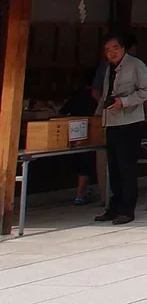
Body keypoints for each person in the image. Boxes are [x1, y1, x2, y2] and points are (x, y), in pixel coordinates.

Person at [95, 33, 147, 226]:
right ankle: (114, 207)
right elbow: (104, 95)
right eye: (107, 50)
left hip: (130, 121)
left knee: (126, 167)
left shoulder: (136, 65)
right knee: (113, 167)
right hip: (111, 121)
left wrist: (125, 101)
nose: (111, 53)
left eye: (114, 48)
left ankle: (127, 210)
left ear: (123, 48)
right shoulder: (108, 69)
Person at [59, 70, 99, 207]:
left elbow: (63, 111)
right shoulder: (98, 96)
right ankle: (81, 194)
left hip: (75, 130)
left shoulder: (78, 94)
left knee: (82, 162)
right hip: (91, 129)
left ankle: (81, 193)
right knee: (86, 162)